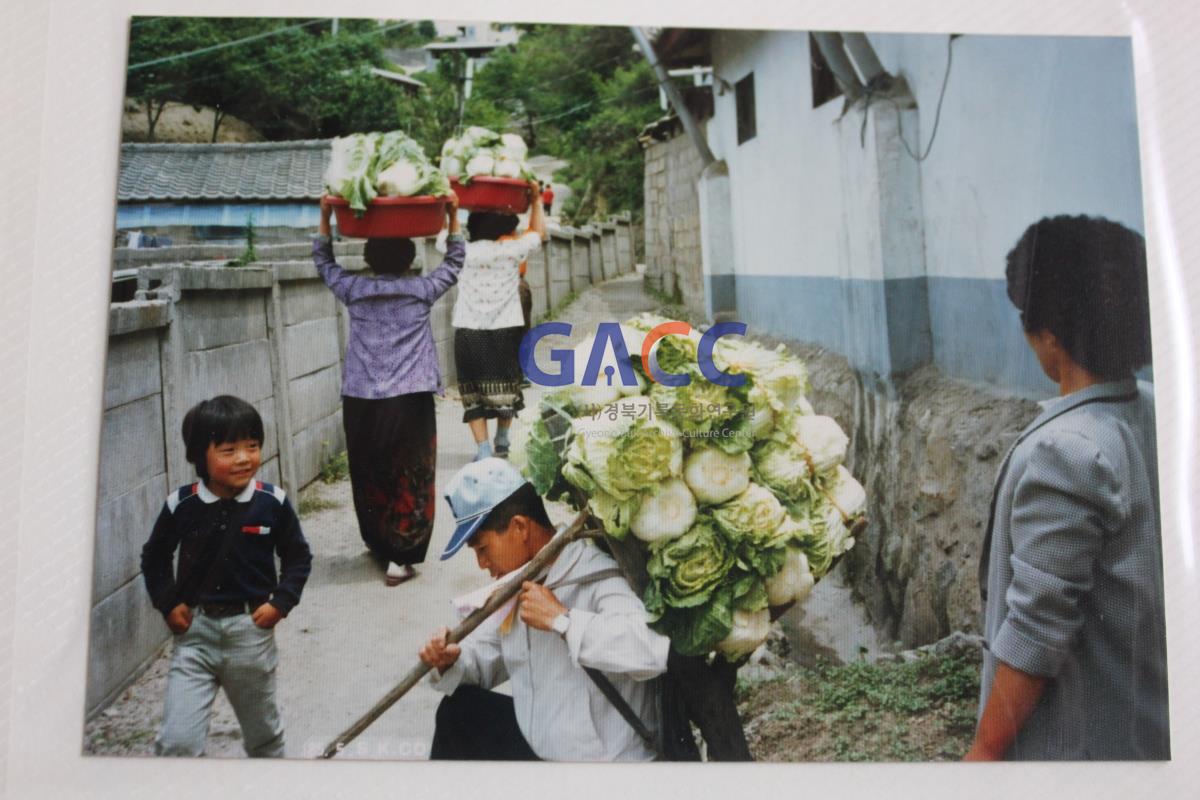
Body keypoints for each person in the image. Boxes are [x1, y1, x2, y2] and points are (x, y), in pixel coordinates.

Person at [966, 215, 1169, 760]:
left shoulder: (1068, 451)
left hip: (1078, 752)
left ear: (1049, 335)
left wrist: (983, 754)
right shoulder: (1150, 409)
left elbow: (1035, 633)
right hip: (1143, 725)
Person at [419, 458, 669, 761]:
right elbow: (485, 656)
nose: (482, 564)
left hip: (599, 771)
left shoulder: (595, 574)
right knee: (458, 711)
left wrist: (562, 621)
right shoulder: (518, 585)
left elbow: (650, 651)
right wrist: (449, 659)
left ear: (520, 527)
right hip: (543, 752)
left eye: (482, 548)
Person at [141, 395, 313, 757]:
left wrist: (280, 603)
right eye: (228, 449)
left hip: (250, 634)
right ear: (199, 455)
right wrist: (168, 603)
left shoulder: (272, 502)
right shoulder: (181, 505)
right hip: (195, 638)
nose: (244, 458)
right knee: (177, 743)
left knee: (264, 738)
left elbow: (297, 557)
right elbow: (154, 558)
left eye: (252, 446)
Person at [313, 195, 463, 585]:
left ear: (369, 259)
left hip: (362, 399)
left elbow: (323, 262)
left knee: (369, 471)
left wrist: (326, 215)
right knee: (410, 474)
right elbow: (455, 261)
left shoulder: (354, 289)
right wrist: (451, 215)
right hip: (409, 400)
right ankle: (401, 555)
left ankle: (380, 541)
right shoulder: (422, 290)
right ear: (410, 259)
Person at [449, 180, 547, 460]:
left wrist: (453, 210)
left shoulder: (462, 253)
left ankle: (482, 449)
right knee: (507, 385)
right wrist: (537, 200)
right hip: (506, 329)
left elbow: (443, 235)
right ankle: (502, 438)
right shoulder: (511, 251)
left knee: (473, 389)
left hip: (469, 331)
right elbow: (539, 233)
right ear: (503, 230)